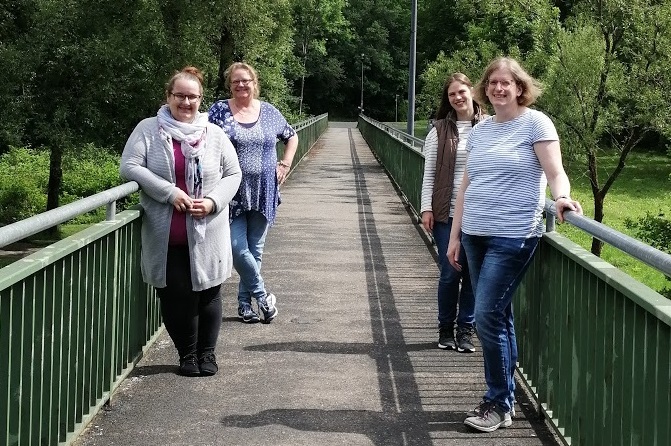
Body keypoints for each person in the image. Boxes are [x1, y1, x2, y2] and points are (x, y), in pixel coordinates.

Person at [446, 57, 583, 432]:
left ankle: (498, 402)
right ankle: (502, 398)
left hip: (513, 235)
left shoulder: (536, 123)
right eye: (492, 83)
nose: (498, 89)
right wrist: (455, 235)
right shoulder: (482, 130)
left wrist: (562, 198)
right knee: (498, 314)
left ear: (519, 88)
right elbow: (467, 185)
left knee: (487, 313)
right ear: (485, 89)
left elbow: (555, 171)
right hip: (475, 233)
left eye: (505, 83)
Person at [120, 66, 242, 377]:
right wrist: (169, 192)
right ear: (168, 96)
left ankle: (207, 354)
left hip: (208, 231)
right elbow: (130, 166)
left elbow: (233, 174)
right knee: (176, 295)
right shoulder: (148, 129)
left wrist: (213, 202)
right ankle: (187, 354)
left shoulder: (213, 134)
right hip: (167, 235)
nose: (185, 103)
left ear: (201, 99)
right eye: (180, 96)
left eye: (192, 97)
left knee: (209, 292)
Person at [208, 62, 298, 324]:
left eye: (245, 80)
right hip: (230, 190)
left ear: (254, 82)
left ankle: (245, 306)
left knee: (255, 250)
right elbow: (206, 140)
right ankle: (264, 297)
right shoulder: (219, 111)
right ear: (230, 84)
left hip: (263, 190)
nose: (240, 85)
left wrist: (285, 163)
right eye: (235, 81)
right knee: (238, 249)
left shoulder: (268, 111)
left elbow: (291, 136)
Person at [420, 73, 487, 352]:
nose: (458, 97)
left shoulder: (490, 126)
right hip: (445, 212)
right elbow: (429, 173)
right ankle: (445, 328)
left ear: (471, 91)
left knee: (471, 274)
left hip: (479, 212)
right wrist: (425, 208)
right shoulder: (438, 130)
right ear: (447, 100)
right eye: (452, 95)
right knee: (450, 271)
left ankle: (465, 331)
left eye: (461, 91)